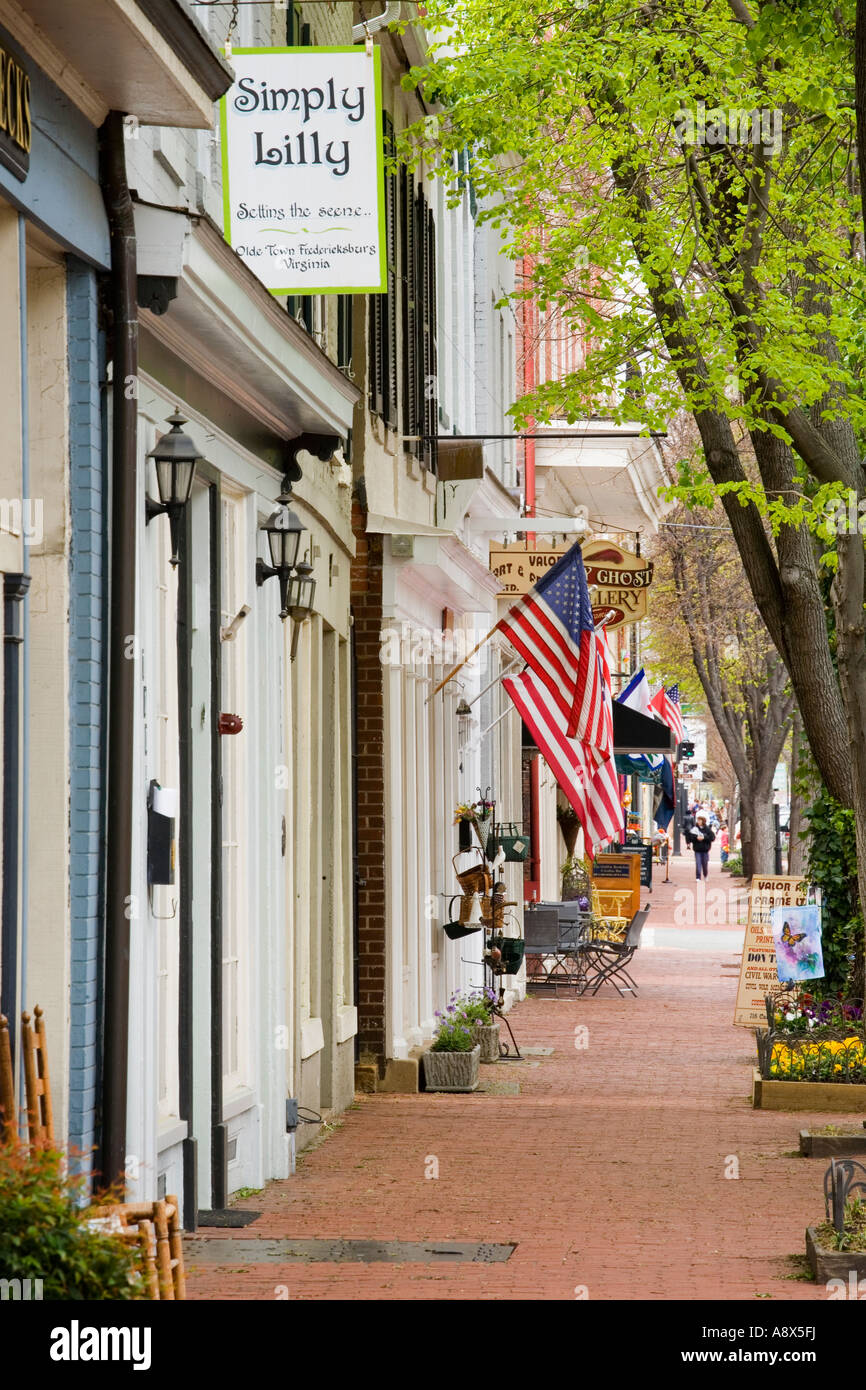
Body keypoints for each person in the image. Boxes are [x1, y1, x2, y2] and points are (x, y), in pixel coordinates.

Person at [685, 811, 715, 880]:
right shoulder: (694, 829)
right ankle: (698, 877)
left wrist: (704, 838)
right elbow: (690, 837)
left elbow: (712, 837)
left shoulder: (707, 829)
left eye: (700, 820)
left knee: (705, 864)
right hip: (697, 849)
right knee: (698, 864)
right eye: (698, 820)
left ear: (703, 821)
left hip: (705, 849)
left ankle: (705, 875)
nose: (698, 821)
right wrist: (696, 838)